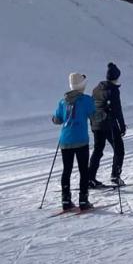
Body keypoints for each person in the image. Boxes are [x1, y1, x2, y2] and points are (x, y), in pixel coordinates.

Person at [51, 73, 96, 211]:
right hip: (81, 140)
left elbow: (57, 120)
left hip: (65, 140)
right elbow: (95, 116)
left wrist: (56, 118)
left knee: (67, 170)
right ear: (82, 85)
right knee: (83, 170)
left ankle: (65, 199)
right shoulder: (86, 100)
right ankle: (83, 200)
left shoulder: (63, 101)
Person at [88, 62, 127, 187]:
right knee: (119, 149)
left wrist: (92, 123)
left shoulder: (95, 89)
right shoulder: (113, 90)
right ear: (115, 77)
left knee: (98, 150)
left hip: (96, 124)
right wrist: (122, 126)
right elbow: (117, 110)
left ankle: (90, 178)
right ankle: (115, 176)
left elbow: (91, 107)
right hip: (109, 124)